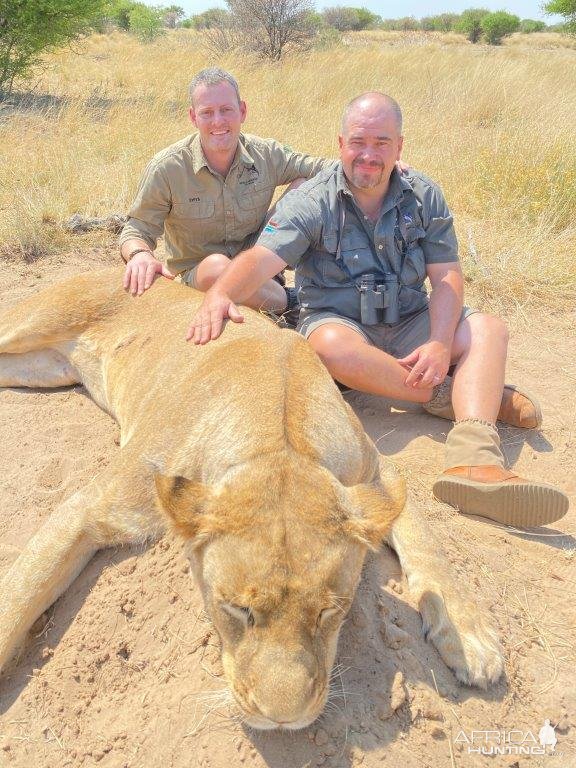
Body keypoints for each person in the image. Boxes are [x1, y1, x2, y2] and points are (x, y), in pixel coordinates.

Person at [186, 91, 569, 528]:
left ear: (400, 147)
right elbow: (262, 259)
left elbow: (446, 277)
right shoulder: (311, 199)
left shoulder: (424, 194)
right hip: (344, 325)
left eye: (382, 143)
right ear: (341, 143)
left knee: (489, 329)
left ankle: (475, 463)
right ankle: (459, 395)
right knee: (330, 348)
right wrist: (219, 295)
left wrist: (441, 344)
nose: (368, 155)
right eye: (358, 142)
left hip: (410, 319)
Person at [119, 67, 335, 315]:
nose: (218, 121)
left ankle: (270, 284)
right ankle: (291, 301)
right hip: (202, 274)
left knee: (304, 185)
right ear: (193, 117)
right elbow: (136, 229)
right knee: (216, 268)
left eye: (226, 110)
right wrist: (139, 255)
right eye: (207, 113)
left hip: (257, 260)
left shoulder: (265, 153)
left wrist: (380, 167)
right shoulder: (168, 167)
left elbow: (320, 167)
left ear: (242, 111)